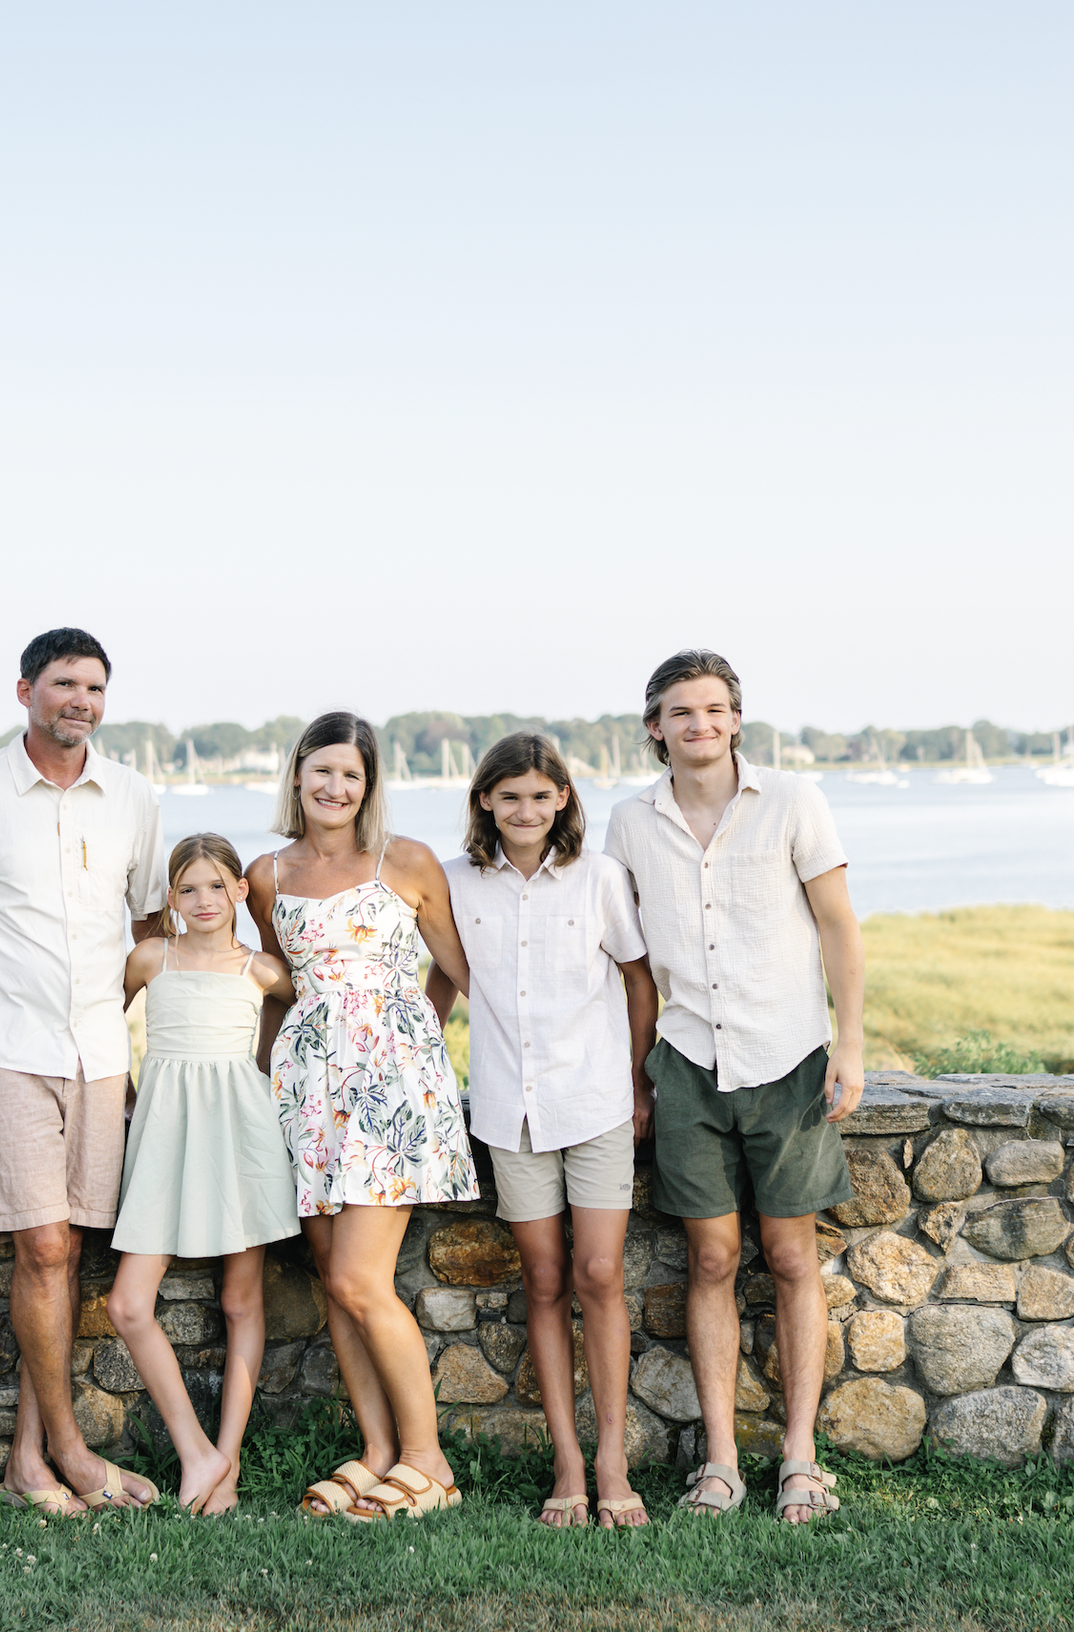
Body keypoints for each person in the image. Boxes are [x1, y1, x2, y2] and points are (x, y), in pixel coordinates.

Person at [603, 649, 867, 1525]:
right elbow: (627, 960)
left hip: (788, 1060)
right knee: (710, 1259)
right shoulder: (629, 822)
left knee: (793, 1257)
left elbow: (838, 927)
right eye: (682, 711)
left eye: (714, 709)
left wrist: (851, 1046)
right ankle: (721, 1461)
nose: (700, 724)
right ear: (656, 726)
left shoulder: (792, 801)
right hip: (684, 1065)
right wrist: (632, 1075)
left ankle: (800, 1456)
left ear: (736, 719)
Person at [0, 627, 164, 1516]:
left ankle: (26, 1457)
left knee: (66, 1256)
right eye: (64, 684)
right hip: (0, 1051)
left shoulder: (133, 797)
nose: (80, 702)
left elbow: (149, 935)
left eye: (94, 688)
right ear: (24, 690)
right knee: (45, 1247)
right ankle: (70, 1445)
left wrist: (143, 1039)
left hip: (98, 1055)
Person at [248, 712, 477, 1522]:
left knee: (358, 1277)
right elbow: (277, 991)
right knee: (334, 1284)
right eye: (322, 771)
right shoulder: (266, 872)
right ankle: (379, 1451)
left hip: (390, 1090)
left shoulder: (405, 860)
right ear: (299, 774)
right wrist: (258, 1079)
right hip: (306, 1091)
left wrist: (412, 1036)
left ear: (368, 784)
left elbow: (457, 970)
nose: (335, 787)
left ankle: (430, 1460)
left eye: (351, 775)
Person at [425, 732, 657, 1530]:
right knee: (546, 1280)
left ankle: (613, 1459)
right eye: (509, 794)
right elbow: (437, 991)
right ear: (484, 800)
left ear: (563, 799)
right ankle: (566, 1460)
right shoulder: (454, 883)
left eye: (540, 794)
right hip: (505, 1111)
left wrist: (637, 1077)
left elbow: (636, 977)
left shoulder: (599, 877)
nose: (525, 808)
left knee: (599, 1273)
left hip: (593, 1103)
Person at [104, 833, 301, 1517]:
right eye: (188, 888)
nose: (204, 899)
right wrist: (125, 1093)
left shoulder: (263, 970)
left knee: (242, 1302)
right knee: (128, 1304)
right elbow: (100, 1027)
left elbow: (293, 1025)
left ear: (240, 891)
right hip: (163, 1138)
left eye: (217, 885)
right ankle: (196, 1450)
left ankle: (231, 1457)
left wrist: (273, 1080)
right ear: (169, 898)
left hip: (241, 1137)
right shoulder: (151, 958)